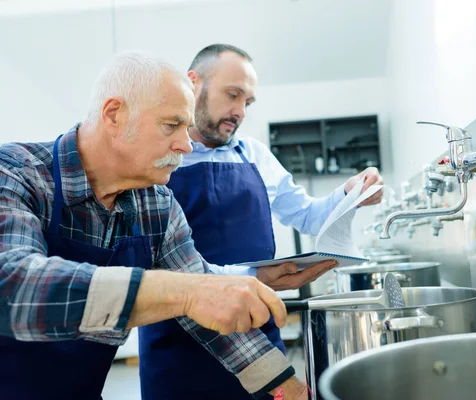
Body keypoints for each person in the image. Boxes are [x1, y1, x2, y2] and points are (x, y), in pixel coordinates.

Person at [0, 51, 311, 400]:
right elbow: (13, 286)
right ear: (114, 115)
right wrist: (186, 292)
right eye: (171, 125)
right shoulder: (13, 173)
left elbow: (211, 314)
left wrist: (290, 391)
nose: (187, 143)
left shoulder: (156, 204)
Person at [138, 44, 384, 400]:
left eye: (247, 102)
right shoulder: (157, 158)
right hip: (177, 343)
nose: (239, 112)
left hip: (256, 329)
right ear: (194, 84)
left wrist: (349, 195)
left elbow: (307, 215)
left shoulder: (255, 155)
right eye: (232, 95)